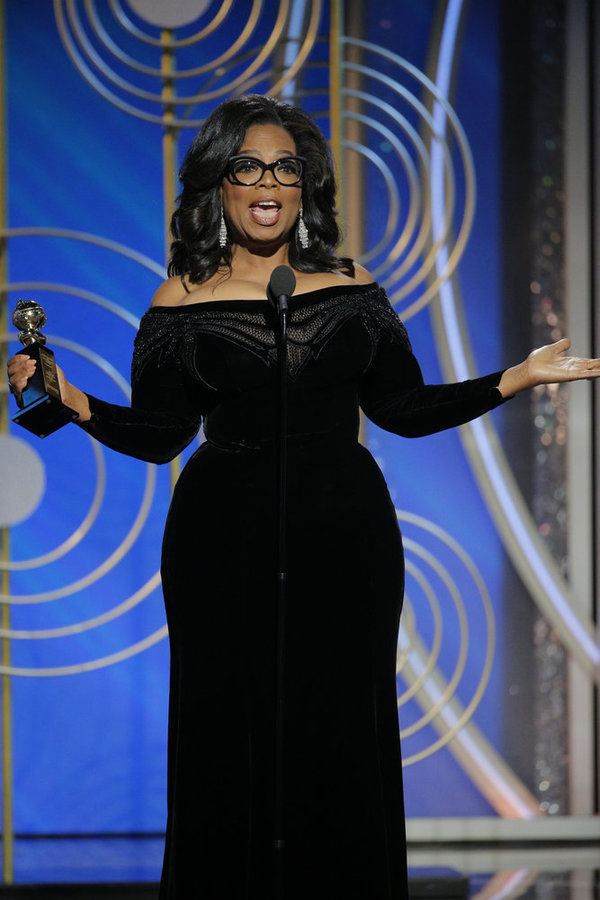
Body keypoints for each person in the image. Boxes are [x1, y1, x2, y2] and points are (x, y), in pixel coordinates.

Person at [7, 94, 600, 900]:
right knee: (228, 729)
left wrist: (514, 378)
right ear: (218, 183)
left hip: (344, 537)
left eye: (285, 167)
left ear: (304, 185)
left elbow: (403, 409)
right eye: (248, 165)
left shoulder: (353, 286)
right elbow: (158, 435)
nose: (268, 182)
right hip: (222, 539)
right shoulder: (179, 298)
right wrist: (68, 401)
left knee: (341, 725)